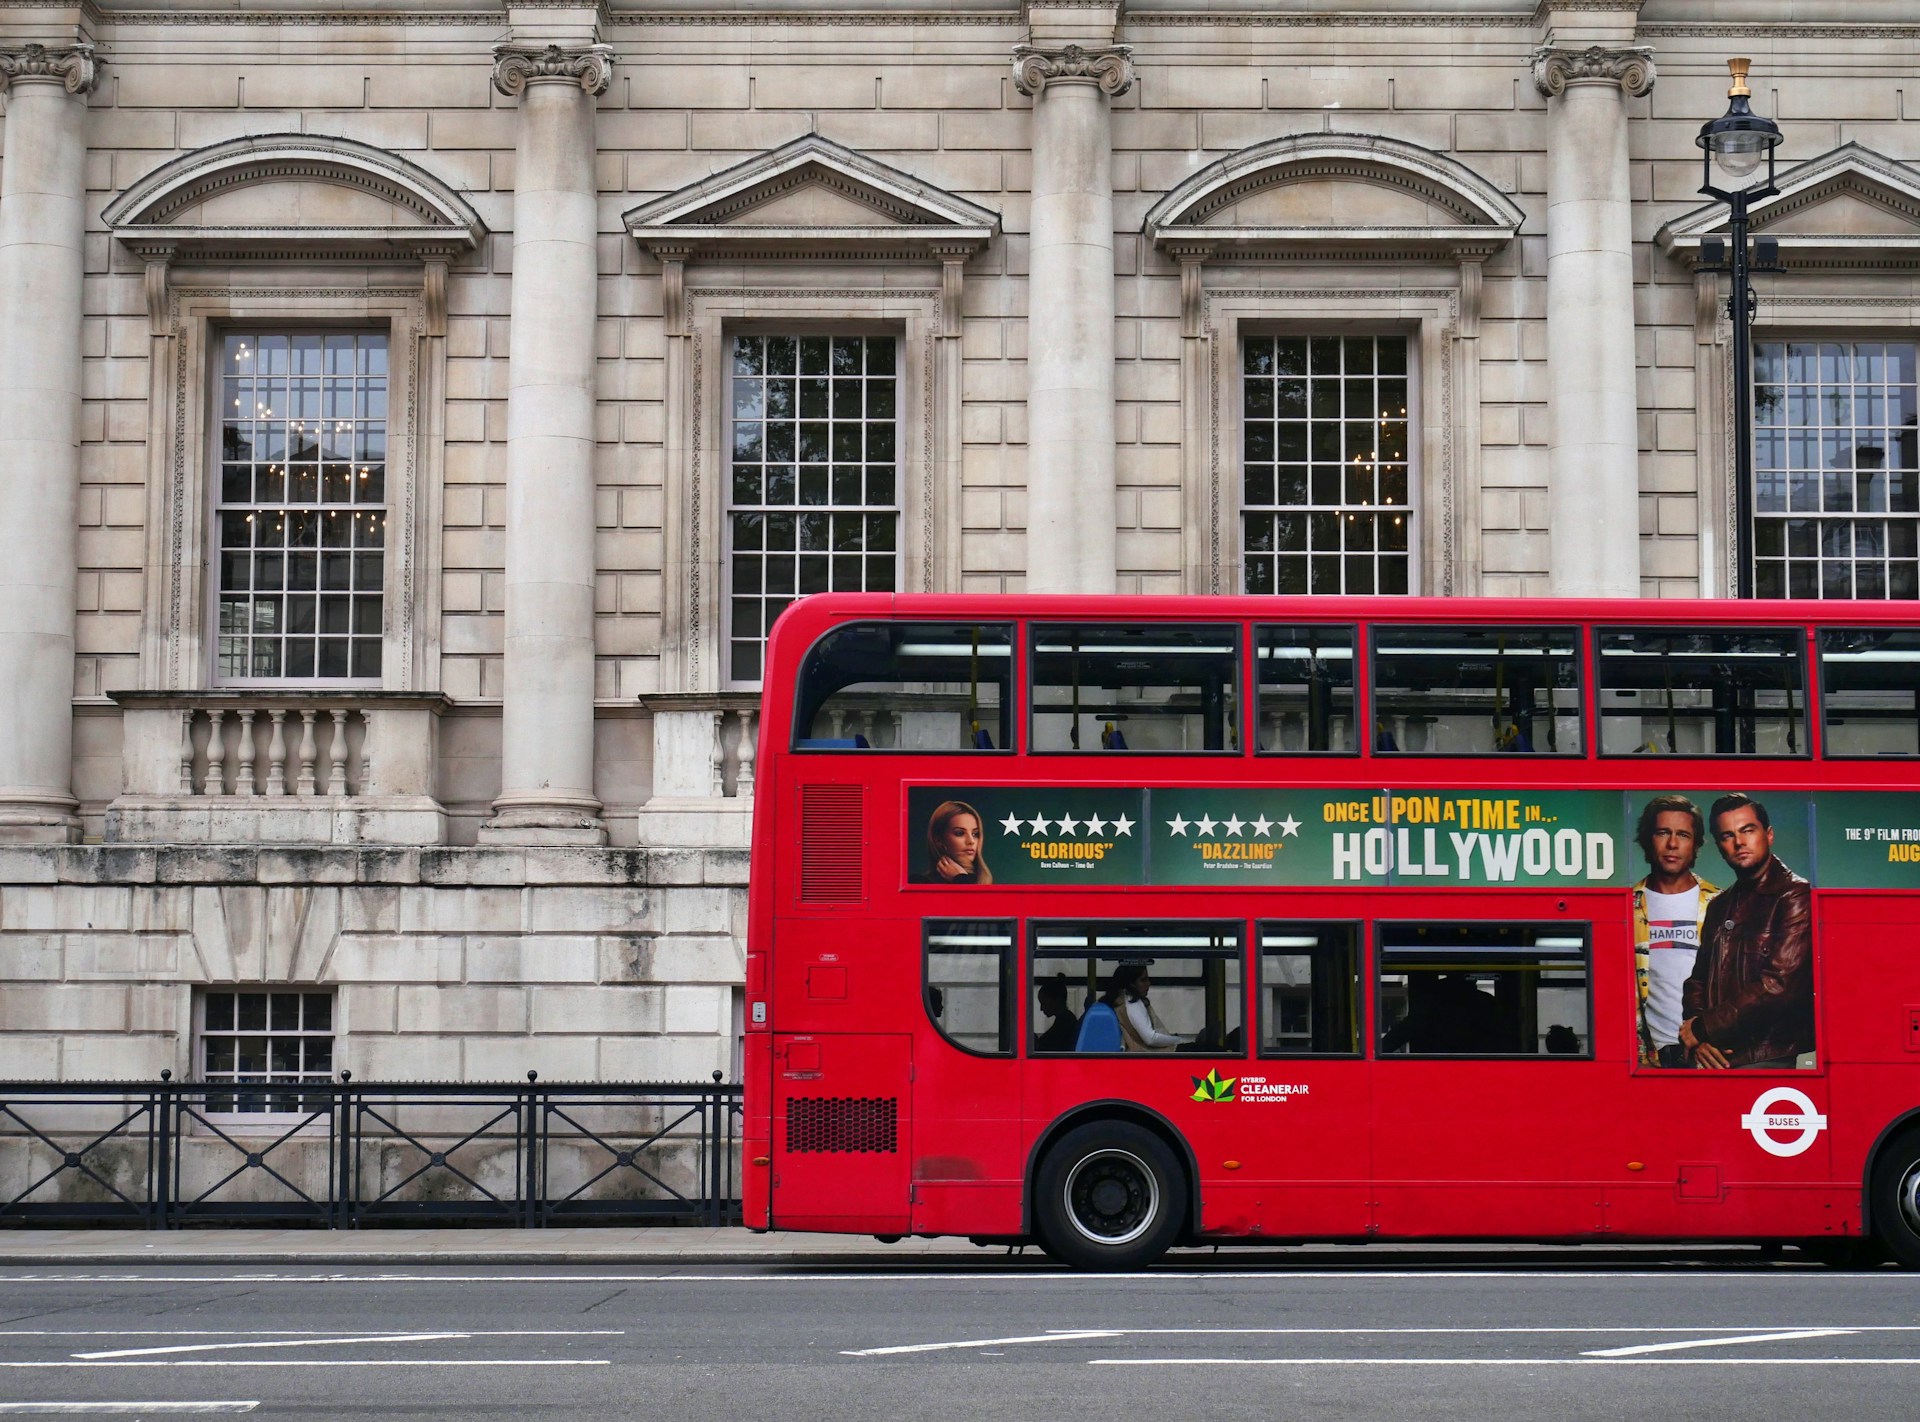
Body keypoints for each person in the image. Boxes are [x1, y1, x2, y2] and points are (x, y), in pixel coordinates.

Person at [1680, 793, 1815, 1069]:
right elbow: (1698, 980)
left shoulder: (1794, 895)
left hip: (1770, 1055)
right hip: (1715, 1055)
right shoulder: (1720, 905)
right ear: (1719, 846)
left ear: (1769, 835)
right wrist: (1699, 1038)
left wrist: (1704, 1029)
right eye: (1727, 836)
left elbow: (1778, 985)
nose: (1739, 842)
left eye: (1747, 830)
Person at [1631, 794, 1722, 1068]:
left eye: (1682, 834)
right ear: (1648, 840)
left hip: (1710, 1054)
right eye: (1663, 833)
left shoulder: (1722, 903)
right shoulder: (1626, 906)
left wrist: (1708, 1035)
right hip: (1647, 1060)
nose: (1672, 844)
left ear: (1696, 845)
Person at [1107, 963, 1191, 1053]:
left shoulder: (1121, 1001)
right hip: (1155, 1053)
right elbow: (1150, 1038)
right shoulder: (1133, 1003)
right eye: (1143, 980)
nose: (1148, 984)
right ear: (1131, 984)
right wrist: (1178, 1040)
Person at [913, 800, 993, 884]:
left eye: (975, 834)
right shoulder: (920, 882)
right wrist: (960, 879)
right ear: (939, 840)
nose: (971, 841)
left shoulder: (984, 881)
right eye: (960, 833)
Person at [1033, 974, 1081, 1053]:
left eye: (1044, 1002)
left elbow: (1048, 1045)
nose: (1041, 1008)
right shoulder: (1065, 1019)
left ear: (1057, 1000)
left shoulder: (1065, 1022)